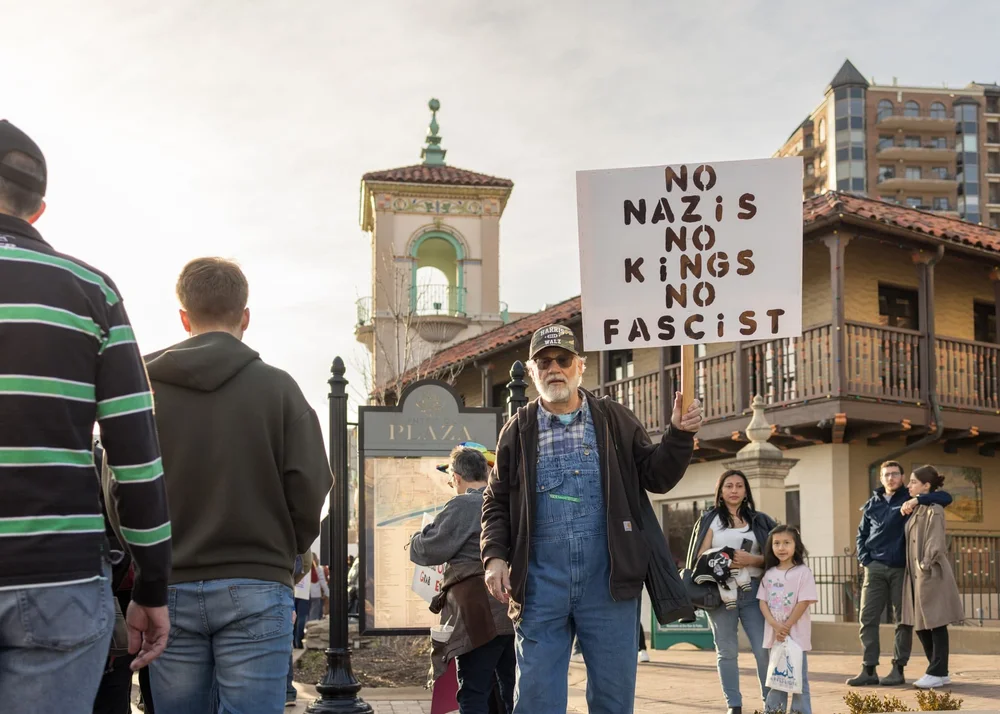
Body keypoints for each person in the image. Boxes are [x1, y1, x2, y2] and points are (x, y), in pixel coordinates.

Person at [0, 120, 171, 713]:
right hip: (59, 577)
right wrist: (152, 583)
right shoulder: (90, 292)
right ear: (39, 209)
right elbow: (136, 459)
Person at [144, 258, 332, 714]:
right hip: (257, 580)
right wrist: (289, 548)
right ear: (245, 315)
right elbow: (311, 482)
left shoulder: (144, 387)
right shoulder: (280, 389)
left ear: (184, 317)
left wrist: (144, 559)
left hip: (170, 582)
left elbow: (118, 485)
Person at [482, 324, 702, 714]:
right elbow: (496, 501)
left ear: (579, 366)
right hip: (539, 584)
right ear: (533, 374)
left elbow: (657, 476)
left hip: (609, 581)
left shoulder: (613, 419)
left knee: (613, 700)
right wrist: (495, 556)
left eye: (563, 360)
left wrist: (679, 436)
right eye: (544, 362)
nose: (554, 368)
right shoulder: (517, 431)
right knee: (535, 699)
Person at [411, 442, 515, 714]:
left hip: (478, 612)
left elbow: (427, 549)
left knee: (473, 690)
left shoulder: (463, 504)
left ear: (456, 477)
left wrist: (415, 538)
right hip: (514, 608)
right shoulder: (506, 502)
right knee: (510, 689)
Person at [849, 460, 953, 687]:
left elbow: (945, 498)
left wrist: (916, 499)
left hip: (901, 569)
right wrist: (865, 559)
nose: (890, 478)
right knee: (867, 618)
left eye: (895, 474)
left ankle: (898, 669)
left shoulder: (911, 497)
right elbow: (861, 534)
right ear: (881, 478)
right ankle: (868, 669)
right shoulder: (872, 503)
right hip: (874, 567)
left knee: (903, 620)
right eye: (886, 475)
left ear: (903, 478)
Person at [686, 469, 776, 714]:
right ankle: (733, 705)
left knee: (763, 650)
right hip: (719, 594)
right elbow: (699, 557)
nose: (734, 490)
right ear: (721, 491)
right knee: (726, 651)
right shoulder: (710, 519)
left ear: (746, 490)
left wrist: (751, 560)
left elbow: (776, 556)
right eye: (729, 486)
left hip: (754, 592)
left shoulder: (760, 520)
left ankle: (771, 705)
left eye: (739, 486)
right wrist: (722, 560)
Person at [902, 465, 965, 690]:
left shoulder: (933, 508)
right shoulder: (917, 507)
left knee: (935, 622)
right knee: (920, 624)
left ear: (926, 485)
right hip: (915, 575)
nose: (908, 485)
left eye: (913, 482)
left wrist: (925, 563)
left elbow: (935, 540)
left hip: (929, 572)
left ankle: (937, 671)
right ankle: (938, 670)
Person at [758, 525, 818, 714]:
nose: (781, 548)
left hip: (796, 638)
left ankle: (801, 711)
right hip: (775, 637)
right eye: (776, 543)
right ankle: (774, 711)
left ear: (796, 546)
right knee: (777, 679)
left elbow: (804, 602)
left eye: (786, 543)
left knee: (798, 679)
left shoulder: (803, 572)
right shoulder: (768, 574)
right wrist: (776, 626)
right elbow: (762, 603)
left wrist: (787, 626)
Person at [309, 554, 329, 622]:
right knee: (314, 614)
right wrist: (327, 593)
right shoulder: (318, 568)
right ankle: (311, 628)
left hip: (304, 594)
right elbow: (322, 581)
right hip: (315, 594)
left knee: (305, 614)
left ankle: (303, 629)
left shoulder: (305, 567)